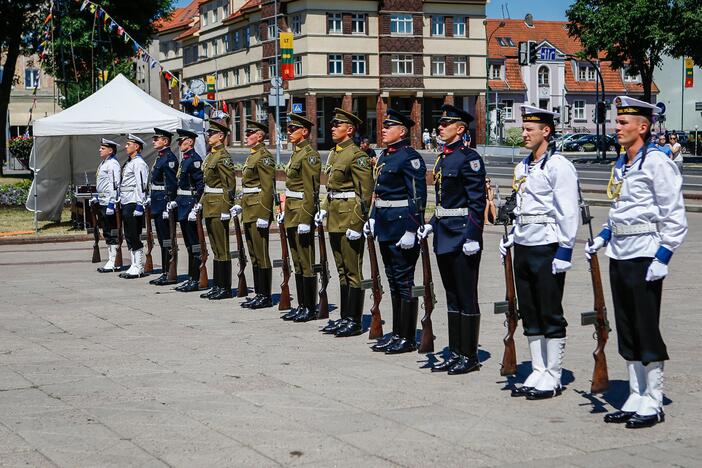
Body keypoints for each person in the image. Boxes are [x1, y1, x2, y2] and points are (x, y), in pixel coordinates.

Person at [585, 96, 687, 429]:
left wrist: (664, 255)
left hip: (646, 253)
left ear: (643, 127)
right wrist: (603, 235)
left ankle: (653, 400)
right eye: (617, 121)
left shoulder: (657, 161)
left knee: (645, 325)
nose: (617, 127)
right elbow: (620, 210)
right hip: (620, 252)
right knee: (626, 326)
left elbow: (674, 215)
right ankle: (635, 393)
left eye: (623, 123)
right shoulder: (622, 163)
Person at [500, 105, 579, 398]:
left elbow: (567, 209)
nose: (523, 134)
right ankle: (538, 368)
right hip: (524, 242)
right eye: (523, 128)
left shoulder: (559, 165)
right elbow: (521, 205)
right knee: (529, 310)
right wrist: (512, 237)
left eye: (528, 129)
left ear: (546, 131)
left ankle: (554, 374)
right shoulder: (523, 166)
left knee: (549, 310)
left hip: (547, 244)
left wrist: (565, 249)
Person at [417, 105, 485, 374]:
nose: (440, 128)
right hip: (445, 233)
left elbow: (477, 201)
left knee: (466, 295)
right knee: (452, 296)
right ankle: (455, 351)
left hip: (461, 236)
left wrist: (473, 235)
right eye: (440, 123)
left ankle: (469, 355)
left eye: (446, 124)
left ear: (460, 129)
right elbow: (445, 201)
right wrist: (431, 224)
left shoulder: (469, 158)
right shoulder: (444, 158)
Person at [364, 109, 427, 354]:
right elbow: (377, 193)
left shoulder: (409, 157)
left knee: (404, 282)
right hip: (385, 224)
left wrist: (412, 229)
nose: (383, 130)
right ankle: (398, 333)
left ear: (401, 131)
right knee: (392, 281)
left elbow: (417, 197)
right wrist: (372, 218)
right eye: (383, 126)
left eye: (388, 127)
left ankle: (408, 337)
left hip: (401, 227)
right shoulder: (385, 156)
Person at [315, 108, 373, 337]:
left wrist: (358, 224)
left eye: (336, 125)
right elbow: (330, 189)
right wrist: (322, 209)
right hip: (335, 216)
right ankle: (345, 317)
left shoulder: (357, 155)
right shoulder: (334, 154)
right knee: (341, 270)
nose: (332, 128)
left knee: (352, 270)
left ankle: (355, 320)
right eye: (332, 125)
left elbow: (365, 194)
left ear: (349, 130)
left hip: (349, 217)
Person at [279, 113, 322, 322]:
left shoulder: (309, 155)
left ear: (304, 131)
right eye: (288, 129)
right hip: (291, 211)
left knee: (306, 260)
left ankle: (310, 307)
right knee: (296, 260)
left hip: (301, 212)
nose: (288, 132)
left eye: (292, 129)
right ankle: (302, 305)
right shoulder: (296, 153)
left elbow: (311, 190)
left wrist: (306, 218)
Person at [232, 120, 275, 309]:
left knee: (261, 254)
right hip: (249, 208)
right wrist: (240, 205)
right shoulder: (253, 156)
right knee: (253, 254)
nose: (246, 136)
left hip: (258, 209)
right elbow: (248, 187)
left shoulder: (263, 157)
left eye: (250, 133)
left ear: (259, 136)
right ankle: (259, 293)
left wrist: (265, 214)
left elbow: (267, 188)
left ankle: (265, 296)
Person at [196, 120, 236, 300]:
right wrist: (201, 202)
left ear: (221, 136)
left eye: (211, 133)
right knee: (215, 247)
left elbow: (229, 184)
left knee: (222, 247)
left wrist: (226, 208)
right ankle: (217, 285)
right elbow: (207, 185)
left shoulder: (223, 157)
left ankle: (225, 287)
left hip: (219, 205)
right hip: (210, 204)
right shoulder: (211, 155)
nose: (208, 136)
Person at [173, 129, 205, 292]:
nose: (179, 144)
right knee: (188, 244)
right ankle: (192, 277)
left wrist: (197, 206)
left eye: (182, 141)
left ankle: (197, 278)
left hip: (191, 206)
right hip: (183, 205)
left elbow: (200, 186)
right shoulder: (185, 159)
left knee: (194, 245)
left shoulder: (194, 160)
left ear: (190, 142)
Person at [148, 128, 179, 286]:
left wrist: (170, 203)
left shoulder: (169, 158)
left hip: (164, 203)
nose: (153, 141)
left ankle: (170, 272)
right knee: (162, 239)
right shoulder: (161, 157)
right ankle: (165, 272)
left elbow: (172, 183)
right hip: (157, 202)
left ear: (165, 141)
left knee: (167, 240)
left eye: (156, 139)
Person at [119, 134, 150, 279]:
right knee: (129, 235)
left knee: (134, 234)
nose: (125, 146)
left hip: (133, 201)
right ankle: (133, 264)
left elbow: (141, 185)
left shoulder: (139, 163)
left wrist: (140, 204)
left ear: (136, 147)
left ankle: (138, 266)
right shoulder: (130, 162)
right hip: (126, 201)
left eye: (128, 144)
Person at [92, 138, 122, 273]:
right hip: (103, 201)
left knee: (112, 232)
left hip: (110, 203)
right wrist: (97, 197)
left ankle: (114, 260)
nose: (99, 150)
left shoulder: (113, 164)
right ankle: (111, 259)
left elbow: (114, 184)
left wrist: (111, 203)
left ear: (110, 151)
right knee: (107, 231)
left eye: (103, 148)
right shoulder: (104, 163)